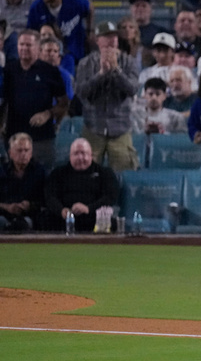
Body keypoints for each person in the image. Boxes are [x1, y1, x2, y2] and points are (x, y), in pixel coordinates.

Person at [73, 21, 139, 171]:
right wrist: (101, 74)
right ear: (97, 40)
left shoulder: (129, 62)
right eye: (107, 36)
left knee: (124, 171)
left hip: (120, 128)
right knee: (87, 173)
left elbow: (132, 89)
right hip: (93, 126)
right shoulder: (86, 63)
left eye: (114, 36)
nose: (112, 40)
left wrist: (116, 70)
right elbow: (81, 92)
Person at [3, 30, 68, 169]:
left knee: (42, 181)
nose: (24, 48)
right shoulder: (9, 70)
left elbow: (64, 103)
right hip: (14, 137)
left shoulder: (50, 71)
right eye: (21, 44)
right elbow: (3, 102)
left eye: (28, 45)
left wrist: (48, 113)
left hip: (42, 139)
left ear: (38, 48)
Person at [44, 138, 119, 234]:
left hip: (93, 216)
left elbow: (110, 197)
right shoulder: (58, 173)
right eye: (76, 154)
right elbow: (50, 196)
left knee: (111, 223)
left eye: (84, 153)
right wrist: (61, 210)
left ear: (91, 155)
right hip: (64, 217)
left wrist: (88, 208)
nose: (80, 157)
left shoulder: (105, 173)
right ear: (70, 156)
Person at [0, 133, 46, 232]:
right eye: (19, 151)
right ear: (10, 153)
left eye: (26, 150)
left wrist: (29, 205)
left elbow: (45, 200)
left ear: (31, 152)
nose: (23, 154)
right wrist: (6, 207)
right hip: (4, 215)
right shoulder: (1, 171)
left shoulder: (40, 172)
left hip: (30, 216)